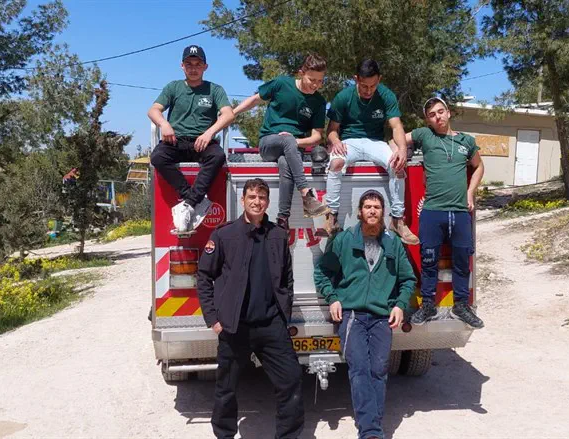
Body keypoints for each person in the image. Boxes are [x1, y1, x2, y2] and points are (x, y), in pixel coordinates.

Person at [197, 178, 304, 439]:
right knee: (226, 388)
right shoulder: (225, 234)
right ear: (243, 200)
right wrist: (213, 318)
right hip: (235, 327)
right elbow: (203, 276)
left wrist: (283, 315)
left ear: (268, 202)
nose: (257, 201)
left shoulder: (278, 235)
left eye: (262, 197)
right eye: (252, 197)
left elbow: (286, 279)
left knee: (290, 381)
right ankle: (224, 434)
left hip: (271, 326)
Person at [314, 190, 416, 439]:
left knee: (378, 370)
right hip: (352, 317)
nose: (372, 211)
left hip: (382, 317)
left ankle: (372, 425)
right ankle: (371, 431)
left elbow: (408, 279)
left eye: (377, 207)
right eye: (367, 206)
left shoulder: (393, 243)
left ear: (383, 213)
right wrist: (333, 298)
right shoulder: (344, 240)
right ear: (359, 212)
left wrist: (400, 305)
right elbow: (322, 273)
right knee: (359, 369)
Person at [398, 97, 485, 328]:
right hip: (432, 211)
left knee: (461, 261)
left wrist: (470, 192)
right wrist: (398, 153)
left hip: (459, 212)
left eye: (440, 112)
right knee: (429, 261)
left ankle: (461, 306)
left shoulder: (467, 141)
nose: (438, 117)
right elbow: (396, 137)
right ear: (428, 120)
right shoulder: (425, 135)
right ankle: (428, 305)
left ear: (448, 113)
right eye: (432, 115)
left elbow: (478, 166)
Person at [321, 59, 419, 245]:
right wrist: (335, 141)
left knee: (397, 166)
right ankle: (331, 218)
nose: (368, 90)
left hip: (376, 142)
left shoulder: (386, 96)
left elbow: (396, 126)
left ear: (379, 79)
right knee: (335, 163)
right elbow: (331, 130)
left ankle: (397, 220)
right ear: (356, 79)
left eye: (373, 86)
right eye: (364, 86)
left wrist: (402, 150)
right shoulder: (343, 97)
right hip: (349, 142)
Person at [233, 54, 330, 229]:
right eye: (311, 79)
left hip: (293, 148)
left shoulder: (319, 102)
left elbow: (316, 137)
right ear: (301, 73)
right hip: (269, 143)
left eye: (320, 81)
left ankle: (283, 219)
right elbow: (255, 100)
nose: (315, 85)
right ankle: (306, 194)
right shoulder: (281, 84)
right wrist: (232, 113)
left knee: (286, 163)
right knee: (287, 141)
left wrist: (296, 141)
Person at [148, 44, 233, 233]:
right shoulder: (173, 87)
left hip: (203, 142)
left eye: (198, 64)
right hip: (175, 141)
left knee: (218, 156)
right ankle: (194, 200)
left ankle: (187, 204)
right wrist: (164, 124)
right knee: (157, 157)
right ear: (182, 66)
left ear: (205, 67)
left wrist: (209, 133)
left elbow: (228, 114)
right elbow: (153, 110)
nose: (193, 68)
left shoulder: (215, 90)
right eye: (189, 64)